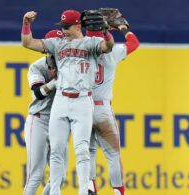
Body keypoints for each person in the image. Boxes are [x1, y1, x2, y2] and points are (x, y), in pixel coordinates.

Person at [21, 10, 114, 195]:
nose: (63, 30)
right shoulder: (54, 48)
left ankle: (83, 190)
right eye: (61, 27)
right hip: (52, 108)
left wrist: (106, 31)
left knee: (82, 149)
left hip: (82, 100)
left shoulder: (90, 43)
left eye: (66, 27)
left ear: (78, 26)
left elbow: (108, 46)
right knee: (50, 158)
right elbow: (27, 42)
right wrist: (26, 24)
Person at [86, 25, 139, 195]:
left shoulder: (79, 52)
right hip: (102, 109)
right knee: (112, 155)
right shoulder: (113, 51)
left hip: (83, 107)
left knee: (88, 152)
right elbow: (134, 43)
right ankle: (118, 191)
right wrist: (123, 28)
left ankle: (90, 187)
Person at [23, 30, 68, 195]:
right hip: (39, 120)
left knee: (60, 176)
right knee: (35, 175)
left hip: (59, 122)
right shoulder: (38, 66)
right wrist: (54, 83)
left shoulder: (70, 65)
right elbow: (38, 93)